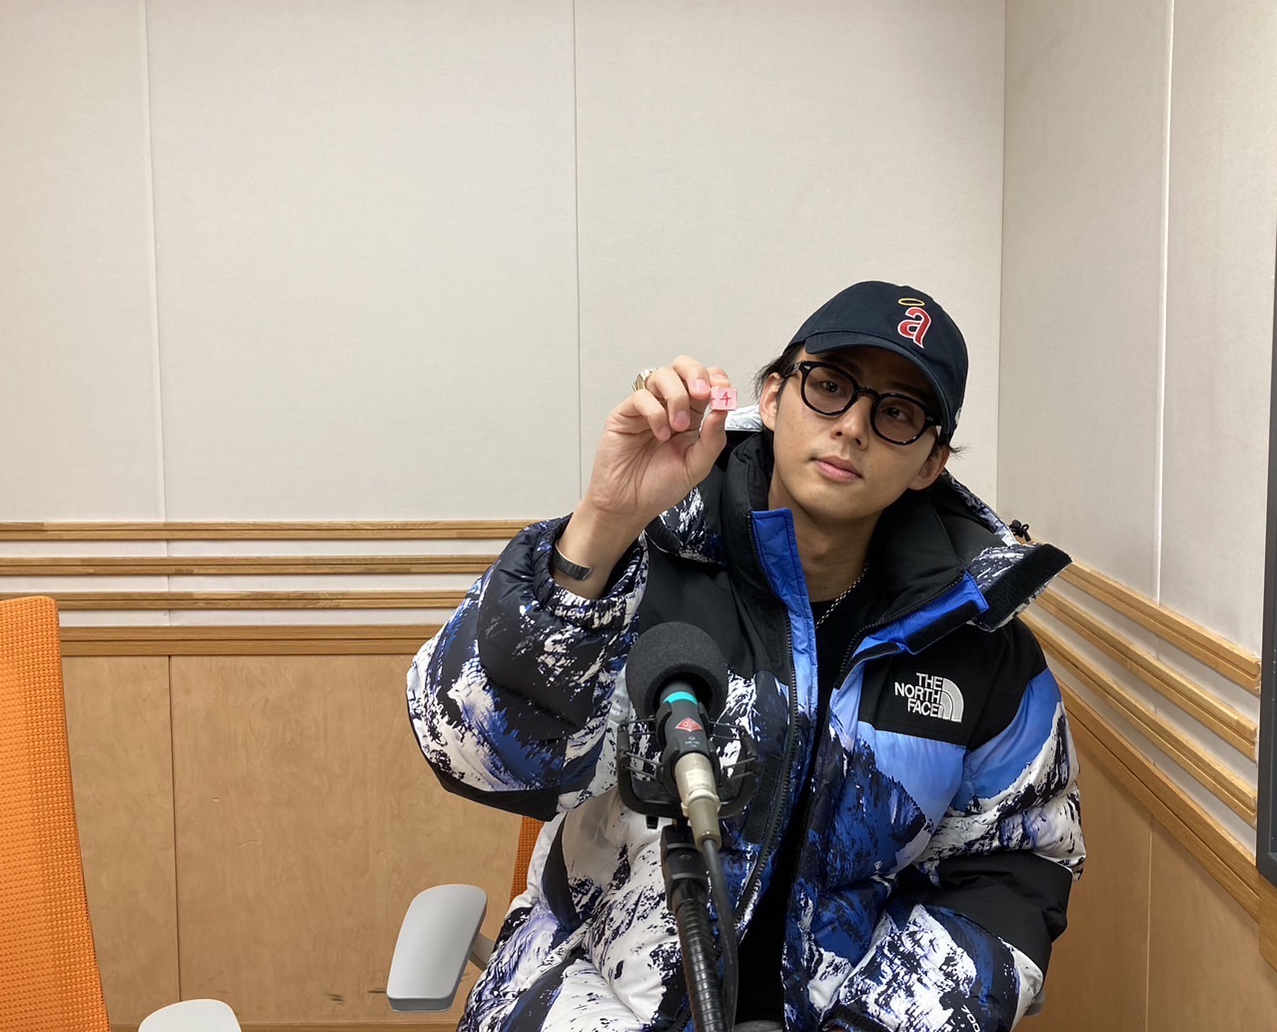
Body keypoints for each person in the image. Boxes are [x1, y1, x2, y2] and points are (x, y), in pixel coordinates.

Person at [407, 280, 1085, 1032]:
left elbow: (1010, 867)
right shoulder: (634, 568)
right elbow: (480, 756)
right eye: (830, 386)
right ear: (773, 397)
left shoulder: (981, 646)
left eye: (897, 413)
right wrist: (605, 518)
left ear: (930, 461)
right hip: (594, 994)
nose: (853, 426)